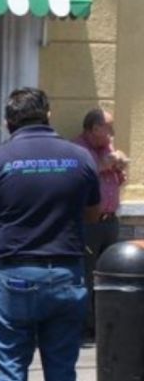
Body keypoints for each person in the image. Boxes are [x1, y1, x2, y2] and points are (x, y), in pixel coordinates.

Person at [0, 88, 100, 381]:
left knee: (12, 370)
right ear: (48, 115)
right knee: (62, 373)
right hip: (66, 274)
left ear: (9, 122)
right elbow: (93, 214)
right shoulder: (80, 158)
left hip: (16, 276)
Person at [72, 109, 128, 334]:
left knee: (108, 273)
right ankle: (85, 324)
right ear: (95, 129)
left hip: (110, 220)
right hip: (88, 222)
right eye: (109, 128)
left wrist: (120, 167)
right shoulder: (78, 149)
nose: (112, 134)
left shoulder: (107, 149)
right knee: (85, 273)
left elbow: (118, 180)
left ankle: (104, 322)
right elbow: (78, 176)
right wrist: (103, 165)